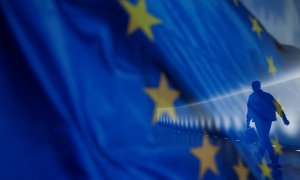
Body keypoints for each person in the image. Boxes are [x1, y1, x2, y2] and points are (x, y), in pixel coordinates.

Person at [246, 81, 290, 165]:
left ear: (253, 88)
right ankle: (263, 156)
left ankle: (270, 158)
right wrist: (284, 118)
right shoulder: (267, 95)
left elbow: (249, 111)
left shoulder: (252, 97)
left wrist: (247, 123)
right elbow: (277, 106)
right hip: (267, 120)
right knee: (264, 138)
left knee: (264, 139)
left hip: (259, 121)